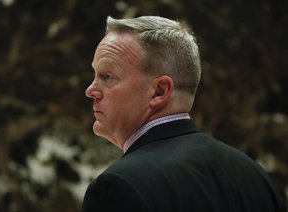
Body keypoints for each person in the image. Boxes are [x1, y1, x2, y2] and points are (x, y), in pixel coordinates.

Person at [82, 16, 286, 212]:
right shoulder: (256, 177)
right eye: (95, 75)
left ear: (159, 91)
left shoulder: (118, 187)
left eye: (107, 76)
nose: (90, 90)